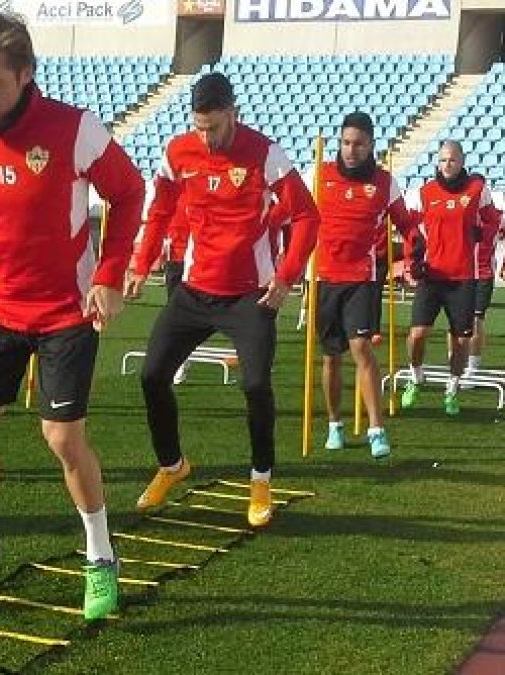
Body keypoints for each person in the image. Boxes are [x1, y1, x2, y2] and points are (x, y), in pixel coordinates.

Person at [0, 11, 146, 621]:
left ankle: (102, 558)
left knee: (62, 438)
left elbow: (129, 194)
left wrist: (108, 278)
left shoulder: (73, 129)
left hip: (67, 312)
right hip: (0, 310)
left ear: (25, 74)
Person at [125, 72, 319, 528]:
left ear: (234, 113)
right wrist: (141, 261)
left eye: (213, 126)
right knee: (152, 376)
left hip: (249, 296)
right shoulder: (178, 152)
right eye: (199, 127)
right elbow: (160, 211)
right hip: (194, 291)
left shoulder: (265, 154)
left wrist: (288, 277)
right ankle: (172, 465)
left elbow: (308, 216)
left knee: (255, 387)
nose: (206, 136)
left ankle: (260, 478)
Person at [304, 112, 416, 459]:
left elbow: (406, 224)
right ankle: (335, 424)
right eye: (346, 143)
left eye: (359, 144)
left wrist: (415, 252)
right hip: (323, 277)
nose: (351, 150)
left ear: (371, 146)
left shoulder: (384, 183)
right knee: (330, 357)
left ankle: (376, 429)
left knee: (362, 349)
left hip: (362, 279)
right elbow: (295, 214)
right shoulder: (319, 175)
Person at [401, 141, 501, 415]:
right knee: (417, 334)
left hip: (463, 278)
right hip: (432, 276)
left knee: (459, 340)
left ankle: (452, 387)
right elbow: (411, 230)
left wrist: (483, 234)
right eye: (443, 160)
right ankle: (415, 375)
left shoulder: (477, 190)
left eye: (453, 160)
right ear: (437, 162)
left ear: (462, 161)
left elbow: (493, 221)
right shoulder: (424, 192)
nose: (447, 165)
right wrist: (412, 261)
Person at [133, 196, 192, 384]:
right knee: (176, 311)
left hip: (203, 258)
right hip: (176, 257)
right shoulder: (171, 187)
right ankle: (179, 359)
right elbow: (156, 218)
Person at [448, 184, 502, 375]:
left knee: (476, 320)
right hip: (461, 273)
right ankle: (453, 361)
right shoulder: (462, 213)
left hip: (483, 274)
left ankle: (472, 367)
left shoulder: (495, 217)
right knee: (455, 321)